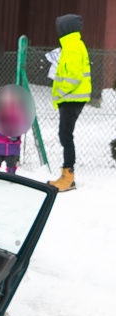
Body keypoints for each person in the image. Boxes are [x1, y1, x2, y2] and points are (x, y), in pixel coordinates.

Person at [47, 14, 91, 192]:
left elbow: (73, 76)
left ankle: (68, 176)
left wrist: (60, 92)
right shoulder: (71, 45)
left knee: (65, 135)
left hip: (72, 98)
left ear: (65, 28)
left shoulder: (72, 46)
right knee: (65, 135)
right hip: (72, 98)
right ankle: (66, 174)